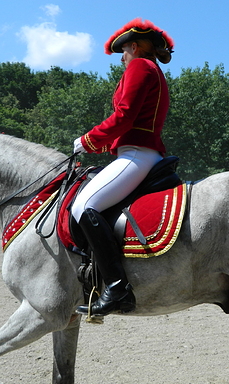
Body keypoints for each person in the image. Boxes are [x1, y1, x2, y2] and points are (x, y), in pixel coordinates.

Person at [72, 18, 174, 317]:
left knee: (84, 207)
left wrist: (88, 140)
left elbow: (125, 116)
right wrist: (102, 145)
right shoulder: (151, 69)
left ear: (133, 45)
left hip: (137, 155)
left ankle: (117, 288)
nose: (122, 57)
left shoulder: (140, 67)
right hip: (137, 151)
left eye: (124, 51)